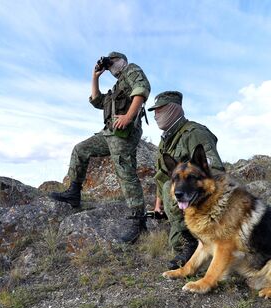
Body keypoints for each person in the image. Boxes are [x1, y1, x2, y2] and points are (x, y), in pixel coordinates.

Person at [50, 51, 151, 244]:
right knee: (81, 149)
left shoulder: (131, 70)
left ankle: (139, 221)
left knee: (125, 173)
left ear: (122, 61)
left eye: (113, 61)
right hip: (109, 134)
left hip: (123, 133)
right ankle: (74, 193)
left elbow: (142, 88)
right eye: (109, 62)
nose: (111, 64)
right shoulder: (117, 87)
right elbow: (97, 100)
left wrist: (128, 117)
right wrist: (95, 76)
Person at [148, 91, 226, 269]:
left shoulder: (195, 133)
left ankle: (196, 244)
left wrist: (201, 201)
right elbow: (162, 175)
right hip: (184, 203)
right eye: (154, 111)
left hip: (202, 200)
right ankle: (189, 241)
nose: (155, 115)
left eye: (159, 110)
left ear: (173, 109)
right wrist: (159, 204)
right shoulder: (166, 140)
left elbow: (215, 170)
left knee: (174, 187)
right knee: (175, 242)